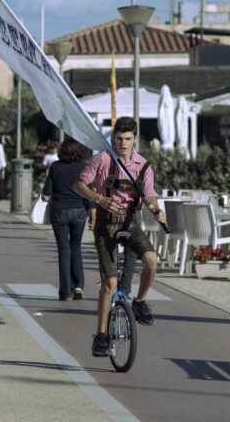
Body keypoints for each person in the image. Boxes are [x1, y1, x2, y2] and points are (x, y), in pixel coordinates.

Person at [74, 117, 166, 357]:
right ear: (113, 138)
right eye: (118, 139)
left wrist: (157, 210)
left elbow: (149, 196)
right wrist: (99, 199)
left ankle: (140, 302)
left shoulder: (143, 165)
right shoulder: (102, 159)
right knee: (110, 283)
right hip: (106, 223)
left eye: (127, 139)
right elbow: (79, 184)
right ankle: (101, 336)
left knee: (152, 260)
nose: (122, 143)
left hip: (130, 221)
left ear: (135, 139)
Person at [42, 138, 91, 301]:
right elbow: (89, 192)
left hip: (59, 211)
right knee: (76, 247)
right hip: (79, 211)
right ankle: (78, 285)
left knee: (63, 249)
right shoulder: (84, 167)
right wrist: (93, 214)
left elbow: (47, 191)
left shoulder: (55, 166)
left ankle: (65, 292)